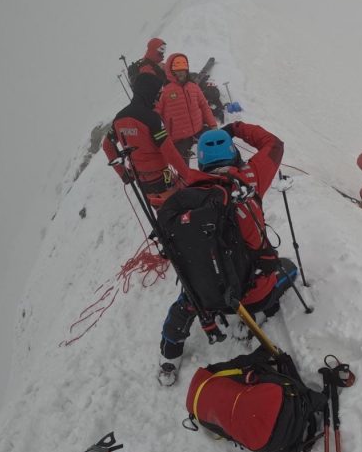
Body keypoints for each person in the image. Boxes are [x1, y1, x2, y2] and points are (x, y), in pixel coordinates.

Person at [157, 121, 297, 385]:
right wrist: (236, 128)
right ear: (233, 154)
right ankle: (258, 314)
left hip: (203, 297)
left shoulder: (187, 193)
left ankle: (169, 358)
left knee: (184, 301)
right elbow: (274, 145)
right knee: (288, 268)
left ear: (201, 162)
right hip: (251, 295)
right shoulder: (250, 178)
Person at [102, 73, 190, 205]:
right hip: (162, 176)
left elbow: (107, 145)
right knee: (178, 209)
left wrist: (123, 174)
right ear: (149, 92)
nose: (159, 98)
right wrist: (188, 176)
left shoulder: (119, 117)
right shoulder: (151, 118)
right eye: (158, 94)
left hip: (141, 180)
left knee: (161, 212)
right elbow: (169, 151)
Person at [156, 52, 218, 161]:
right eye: (177, 70)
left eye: (183, 70)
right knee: (183, 168)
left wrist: (213, 125)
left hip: (198, 131)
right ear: (171, 71)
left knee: (214, 155)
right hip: (178, 139)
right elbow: (155, 116)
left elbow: (204, 106)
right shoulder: (165, 91)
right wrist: (160, 139)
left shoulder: (193, 87)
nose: (181, 73)